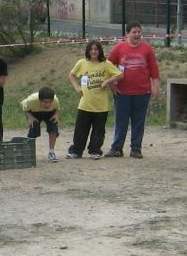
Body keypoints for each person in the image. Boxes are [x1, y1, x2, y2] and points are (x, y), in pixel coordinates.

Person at [105, 22, 160, 159]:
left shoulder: (147, 49)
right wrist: (112, 85)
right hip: (123, 93)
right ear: (127, 34)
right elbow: (107, 66)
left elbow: (153, 69)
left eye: (138, 32)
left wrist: (155, 87)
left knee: (139, 121)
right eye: (134, 32)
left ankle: (136, 148)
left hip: (142, 92)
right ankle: (117, 148)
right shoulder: (119, 48)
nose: (137, 35)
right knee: (121, 121)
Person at [66, 40, 122, 159]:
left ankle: (95, 150)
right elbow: (71, 75)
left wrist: (107, 81)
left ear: (100, 50)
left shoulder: (106, 64)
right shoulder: (82, 63)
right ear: (87, 51)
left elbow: (120, 75)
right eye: (91, 49)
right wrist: (77, 87)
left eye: (96, 49)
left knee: (98, 130)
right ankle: (76, 150)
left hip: (101, 105)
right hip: (85, 103)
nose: (93, 51)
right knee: (81, 129)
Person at [20, 87, 61, 162]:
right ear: (40, 100)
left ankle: (51, 152)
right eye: (45, 102)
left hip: (50, 112)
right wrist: (30, 117)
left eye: (49, 102)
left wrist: (56, 115)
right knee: (34, 129)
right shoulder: (31, 101)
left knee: (54, 128)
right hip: (34, 112)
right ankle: (29, 152)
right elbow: (23, 106)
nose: (47, 104)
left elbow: (57, 109)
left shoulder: (55, 101)